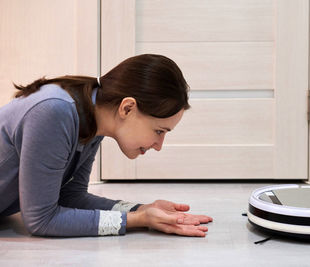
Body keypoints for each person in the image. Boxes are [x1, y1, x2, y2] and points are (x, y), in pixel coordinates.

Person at [0, 54, 213, 237]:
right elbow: (41, 220)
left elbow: (70, 196)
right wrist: (138, 219)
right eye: (159, 131)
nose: (159, 145)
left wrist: (141, 210)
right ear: (127, 108)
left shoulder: (91, 118)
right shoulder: (54, 112)